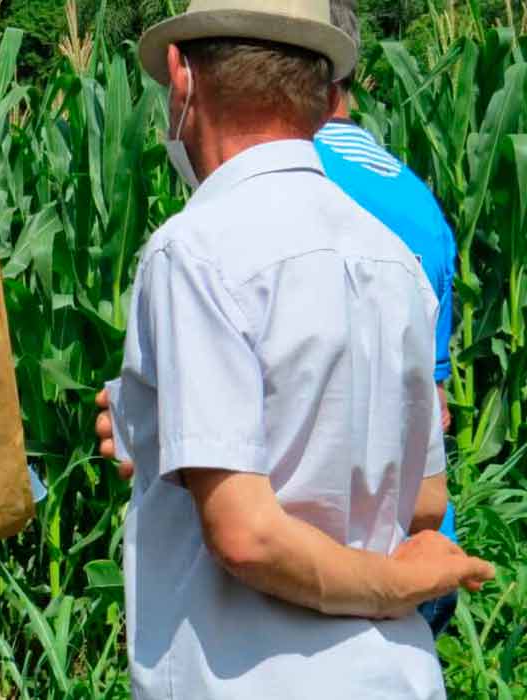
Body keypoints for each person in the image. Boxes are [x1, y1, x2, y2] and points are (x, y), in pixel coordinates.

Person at [93, 1, 493, 697]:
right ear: (321, 90)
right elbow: (424, 502)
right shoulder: (392, 259)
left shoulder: (194, 251)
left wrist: (392, 582)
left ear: (183, 78)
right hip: (397, 675)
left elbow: (246, 535)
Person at [315, 0, 460, 637]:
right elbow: (433, 397)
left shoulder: (296, 183)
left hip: (335, 568)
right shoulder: (414, 194)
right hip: (423, 550)